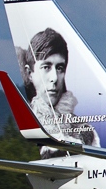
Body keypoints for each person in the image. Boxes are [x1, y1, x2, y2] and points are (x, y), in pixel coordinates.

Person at [17, 28, 99, 156]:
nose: (54, 78)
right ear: (29, 73)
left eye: (60, 68)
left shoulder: (83, 128)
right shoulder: (36, 123)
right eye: (46, 67)